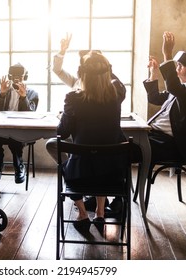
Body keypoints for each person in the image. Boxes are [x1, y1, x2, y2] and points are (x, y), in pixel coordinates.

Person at [47, 33, 128, 215]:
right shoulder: (117, 94)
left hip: (80, 176)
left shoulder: (73, 99)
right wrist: (102, 63)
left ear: (81, 73)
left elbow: (62, 132)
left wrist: (66, 116)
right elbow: (117, 83)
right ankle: (100, 211)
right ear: (108, 71)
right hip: (113, 175)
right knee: (101, 154)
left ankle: (82, 213)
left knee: (56, 146)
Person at [144, 31, 186, 167]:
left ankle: (120, 185)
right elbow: (154, 98)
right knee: (124, 138)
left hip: (173, 145)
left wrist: (167, 55)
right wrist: (154, 73)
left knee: (125, 146)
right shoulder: (183, 89)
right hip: (156, 137)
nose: (179, 65)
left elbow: (174, 88)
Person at [0, 63, 39, 184]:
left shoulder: (32, 93)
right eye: (14, 77)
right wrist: (3, 95)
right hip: (3, 128)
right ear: (10, 77)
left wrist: (23, 97)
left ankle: (19, 166)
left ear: (24, 77)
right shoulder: (2, 92)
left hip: (21, 129)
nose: (17, 80)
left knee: (15, 140)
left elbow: (31, 114)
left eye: (20, 77)